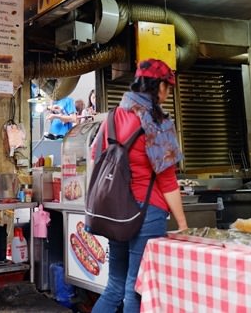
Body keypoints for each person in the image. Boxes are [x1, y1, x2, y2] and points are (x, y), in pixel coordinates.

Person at [91, 59, 188, 313]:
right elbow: (167, 181)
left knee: (114, 285)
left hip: (116, 212)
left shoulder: (112, 117)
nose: (168, 94)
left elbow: (95, 158)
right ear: (158, 87)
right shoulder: (156, 121)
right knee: (136, 288)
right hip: (147, 212)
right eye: (168, 88)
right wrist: (183, 224)